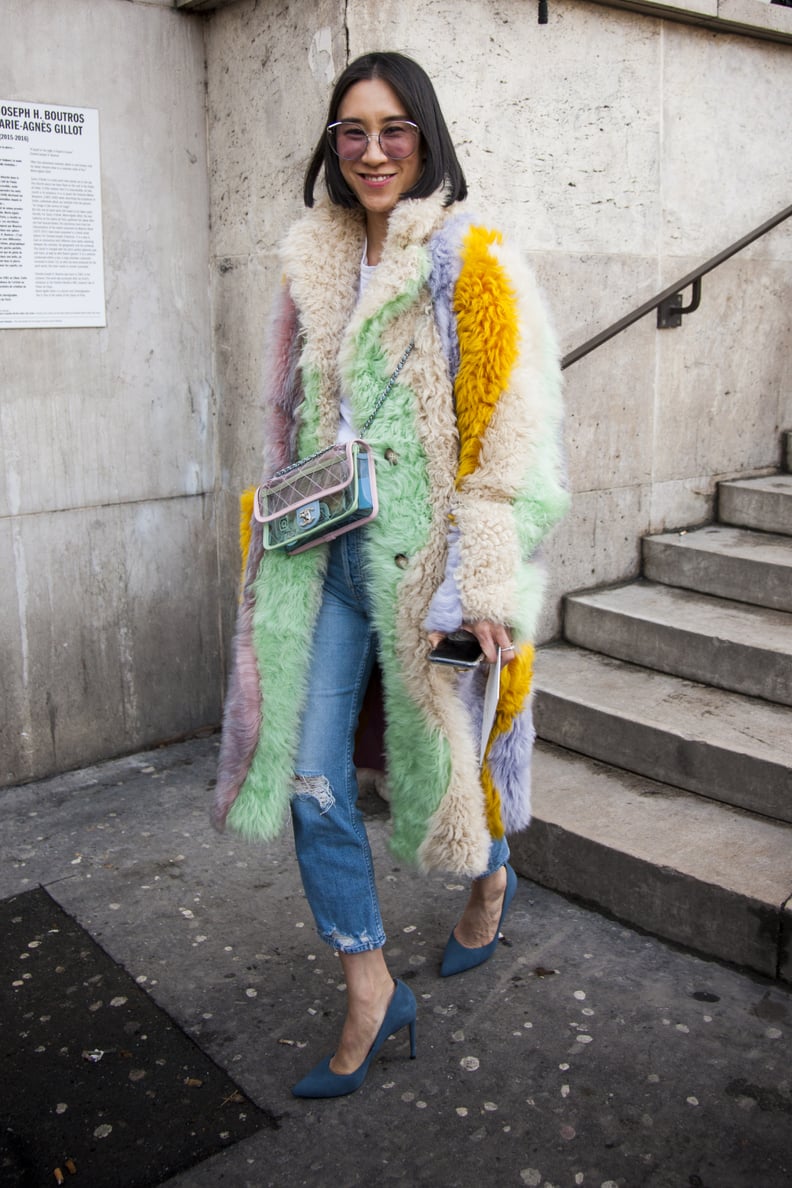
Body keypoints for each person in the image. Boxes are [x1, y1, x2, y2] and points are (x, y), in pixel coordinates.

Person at [212, 51, 568, 1099]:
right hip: (322, 563)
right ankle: (370, 985)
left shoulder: (472, 264)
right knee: (314, 778)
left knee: (456, 766)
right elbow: (290, 425)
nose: (373, 151)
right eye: (353, 131)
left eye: (395, 130)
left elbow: (517, 447)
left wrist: (481, 585)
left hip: (435, 578)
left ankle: (491, 876)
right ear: (333, 146)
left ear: (427, 139)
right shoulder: (309, 264)